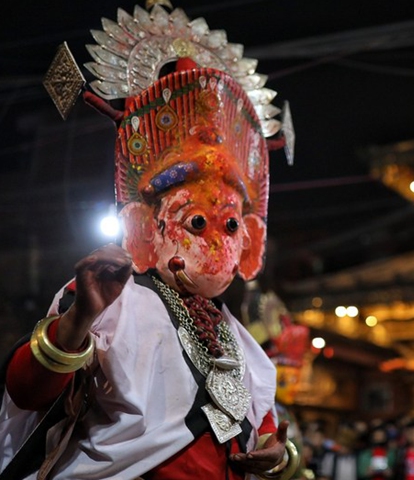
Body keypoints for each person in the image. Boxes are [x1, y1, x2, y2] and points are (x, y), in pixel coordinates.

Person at [0, 4, 296, 480]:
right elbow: (26, 392)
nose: (218, 243)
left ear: (251, 241)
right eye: (197, 222)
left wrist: (277, 456)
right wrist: (80, 317)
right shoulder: (111, 297)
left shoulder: (240, 340)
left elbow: (266, 433)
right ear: (146, 226)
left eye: (232, 225)